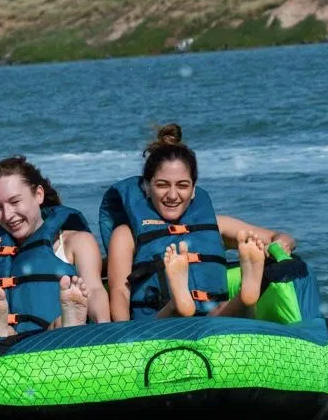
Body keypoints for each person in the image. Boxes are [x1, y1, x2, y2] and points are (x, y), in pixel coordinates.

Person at [101, 123, 297, 320]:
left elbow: (278, 236)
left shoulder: (217, 225)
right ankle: (178, 303)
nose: (172, 195)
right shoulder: (126, 235)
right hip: (158, 326)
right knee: (178, 315)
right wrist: (124, 331)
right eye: (162, 185)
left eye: (182, 186)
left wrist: (281, 243)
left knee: (220, 310)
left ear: (194, 189)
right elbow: (119, 291)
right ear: (146, 187)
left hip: (211, 320)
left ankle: (245, 296)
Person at [0, 156, 110, 337]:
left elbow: (94, 289)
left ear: (39, 194)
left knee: (60, 323)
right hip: (9, 344)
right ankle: (0, 330)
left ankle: (71, 320)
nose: (8, 215)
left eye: (15, 202)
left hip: (54, 337)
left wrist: (104, 327)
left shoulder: (76, 241)